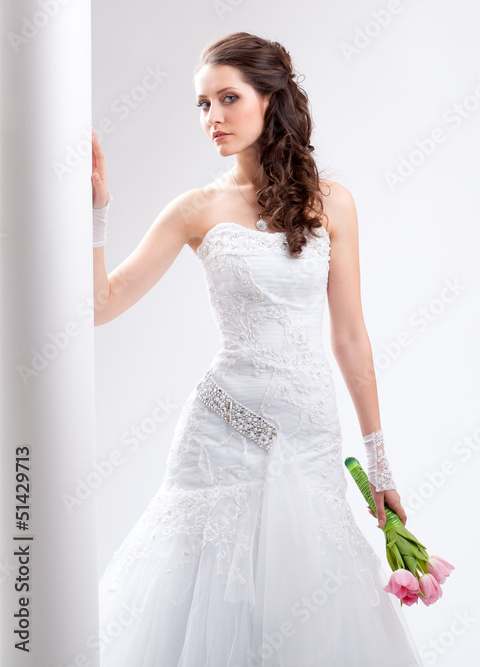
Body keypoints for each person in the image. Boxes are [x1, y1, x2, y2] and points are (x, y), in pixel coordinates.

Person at [91, 31, 423, 666]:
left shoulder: (332, 203)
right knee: (212, 600)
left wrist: (379, 463)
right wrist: (97, 216)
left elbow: (351, 337)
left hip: (310, 432)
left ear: (270, 99)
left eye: (228, 98)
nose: (212, 117)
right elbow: (102, 305)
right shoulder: (195, 209)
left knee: (312, 602)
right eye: (202, 104)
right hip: (223, 431)